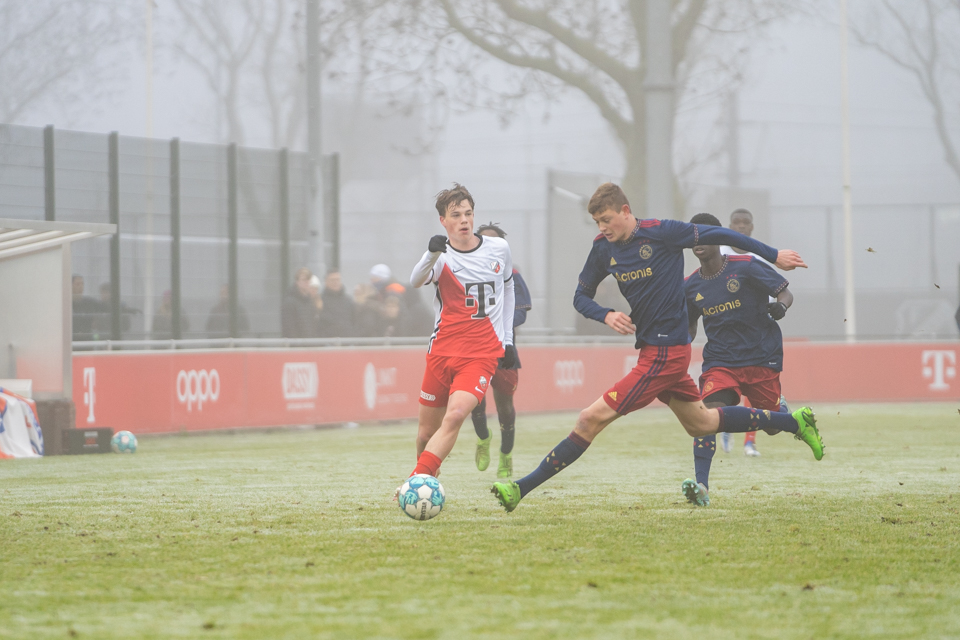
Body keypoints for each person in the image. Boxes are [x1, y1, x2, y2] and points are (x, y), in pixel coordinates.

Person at [490, 183, 823, 513]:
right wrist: (605, 314)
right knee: (702, 424)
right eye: (597, 223)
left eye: (607, 219)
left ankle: (521, 488)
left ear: (625, 211)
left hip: (666, 354)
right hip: (654, 351)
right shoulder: (603, 249)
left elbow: (726, 235)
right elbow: (580, 297)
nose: (603, 228)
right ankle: (795, 423)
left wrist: (774, 255)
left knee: (588, 419)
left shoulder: (663, 233)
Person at [401, 183, 516, 486]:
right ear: (443, 221)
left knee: (455, 416)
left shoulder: (498, 249)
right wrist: (430, 253)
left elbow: (508, 287)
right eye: (456, 215)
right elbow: (414, 281)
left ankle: (416, 482)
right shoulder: (441, 255)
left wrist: (508, 341)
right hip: (441, 353)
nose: (464, 220)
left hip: (481, 355)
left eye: (468, 213)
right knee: (425, 434)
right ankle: (427, 477)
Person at [681, 213, 796, 506]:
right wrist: (676, 340)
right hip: (721, 361)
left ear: (720, 238)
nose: (699, 243)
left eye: (705, 236)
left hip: (761, 357)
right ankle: (702, 485)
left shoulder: (746, 267)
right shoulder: (690, 286)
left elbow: (784, 292)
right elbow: (691, 326)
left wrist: (781, 308)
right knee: (706, 416)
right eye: (694, 238)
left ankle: (780, 410)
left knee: (771, 427)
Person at [470, 222, 533, 478]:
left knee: (505, 407)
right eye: (484, 240)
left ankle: (506, 455)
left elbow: (521, 310)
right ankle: (483, 438)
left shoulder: (512, 274)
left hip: (503, 351)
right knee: (473, 400)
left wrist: (500, 327)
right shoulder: (466, 271)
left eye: (494, 241)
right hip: (473, 351)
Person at [718, 207, 770, 456]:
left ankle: (750, 441)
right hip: (725, 332)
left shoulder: (760, 256)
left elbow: (771, 291)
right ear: (730, 227)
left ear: (751, 227)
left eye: (745, 222)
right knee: (729, 387)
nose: (740, 226)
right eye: (736, 222)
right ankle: (728, 425)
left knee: (754, 388)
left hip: (754, 332)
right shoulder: (719, 254)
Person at [281, 267, 318, 339]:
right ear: (297, 282)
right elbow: (289, 327)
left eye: (308, 280)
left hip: (310, 345)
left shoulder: (310, 302)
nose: (306, 282)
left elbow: (314, 325)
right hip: (297, 346)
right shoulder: (289, 302)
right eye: (303, 280)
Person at [319, 271, 354, 337]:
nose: (335, 282)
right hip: (326, 342)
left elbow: (354, 320)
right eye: (332, 280)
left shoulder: (348, 300)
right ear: (326, 282)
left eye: (337, 279)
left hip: (347, 342)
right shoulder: (319, 300)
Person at [71, 275, 104, 341]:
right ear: (70, 286)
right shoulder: (65, 304)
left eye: (82, 284)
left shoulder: (90, 302)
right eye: (77, 284)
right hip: (71, 342)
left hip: (87, 341)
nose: (81, 287)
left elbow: (104, 309)